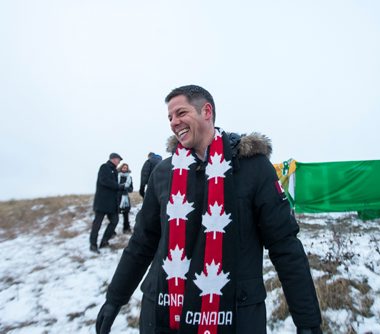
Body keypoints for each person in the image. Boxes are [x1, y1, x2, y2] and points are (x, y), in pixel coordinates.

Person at [95, 85, 322, 333]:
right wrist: (115, 298)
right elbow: (142, 242)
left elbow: (284, 245)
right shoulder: (163, 173)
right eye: (170, 117)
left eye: (181, 113)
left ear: (206, 111)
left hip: (234, 315)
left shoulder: (253, 168)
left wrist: (307, 321)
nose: (174, 122)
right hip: (163, 313)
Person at [90, 153, 125, 253]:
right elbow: (104, 181)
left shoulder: (115, 170)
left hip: (112, 204)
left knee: (114, 221)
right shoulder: (104, 167)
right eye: (118, 160)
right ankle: (93, 245)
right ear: (113, 159)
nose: (119, 162)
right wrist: (118, 186)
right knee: (97, 224)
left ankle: (104, 241)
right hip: (102, 203)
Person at [117, 162, 134, 233]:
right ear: (121, 168)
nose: (125, 169)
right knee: (115, 214)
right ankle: (112, 231)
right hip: (117, 197)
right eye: (123, 167)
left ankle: (126, 228)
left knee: (126, 214)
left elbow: (131, 189)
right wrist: (121, 187)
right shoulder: (116, 176)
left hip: (125, 198)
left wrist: (126, 188)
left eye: (126, 168)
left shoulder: (129, 178)